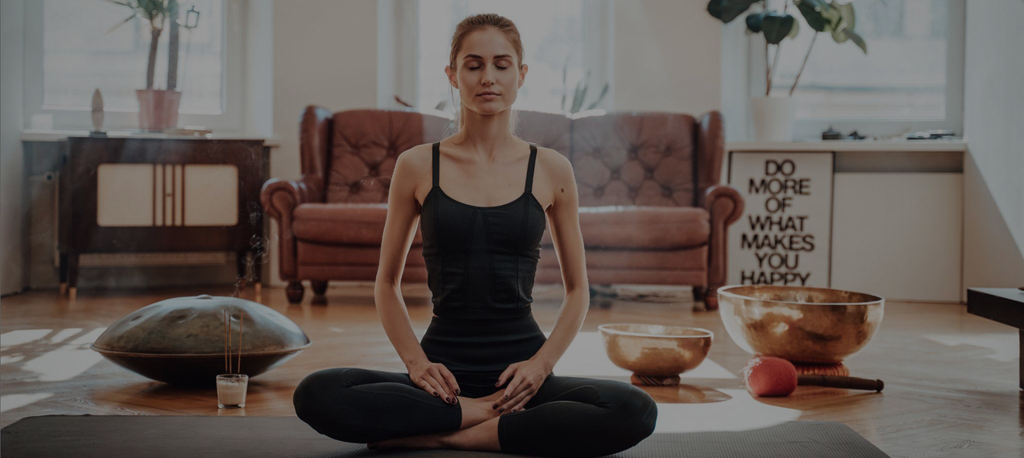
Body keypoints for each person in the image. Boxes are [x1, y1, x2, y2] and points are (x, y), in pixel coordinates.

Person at [292, 13, 657, 458]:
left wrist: (541, 367)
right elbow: (385, 283)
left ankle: (446, 435)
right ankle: (488, 419)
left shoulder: (551, 168)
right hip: (442, 374)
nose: (488, 77)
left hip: (521, 374)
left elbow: (579, 289)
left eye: (502, 65)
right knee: (318, 392)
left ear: (521, 75)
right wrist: (416, 365)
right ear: (452, 75)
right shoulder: (416, 164)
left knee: (634, 408)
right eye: (473, 64)